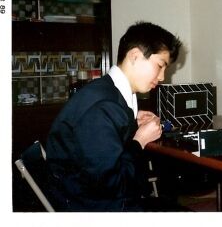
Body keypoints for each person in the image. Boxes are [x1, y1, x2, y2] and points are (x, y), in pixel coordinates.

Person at [46, 21, 183, 211]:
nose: (162, 77)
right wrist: (139, 141)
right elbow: (112, 186)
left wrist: (131, 122)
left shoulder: (107, 92)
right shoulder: (103, 107)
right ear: (135, 56)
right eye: (160, 66)